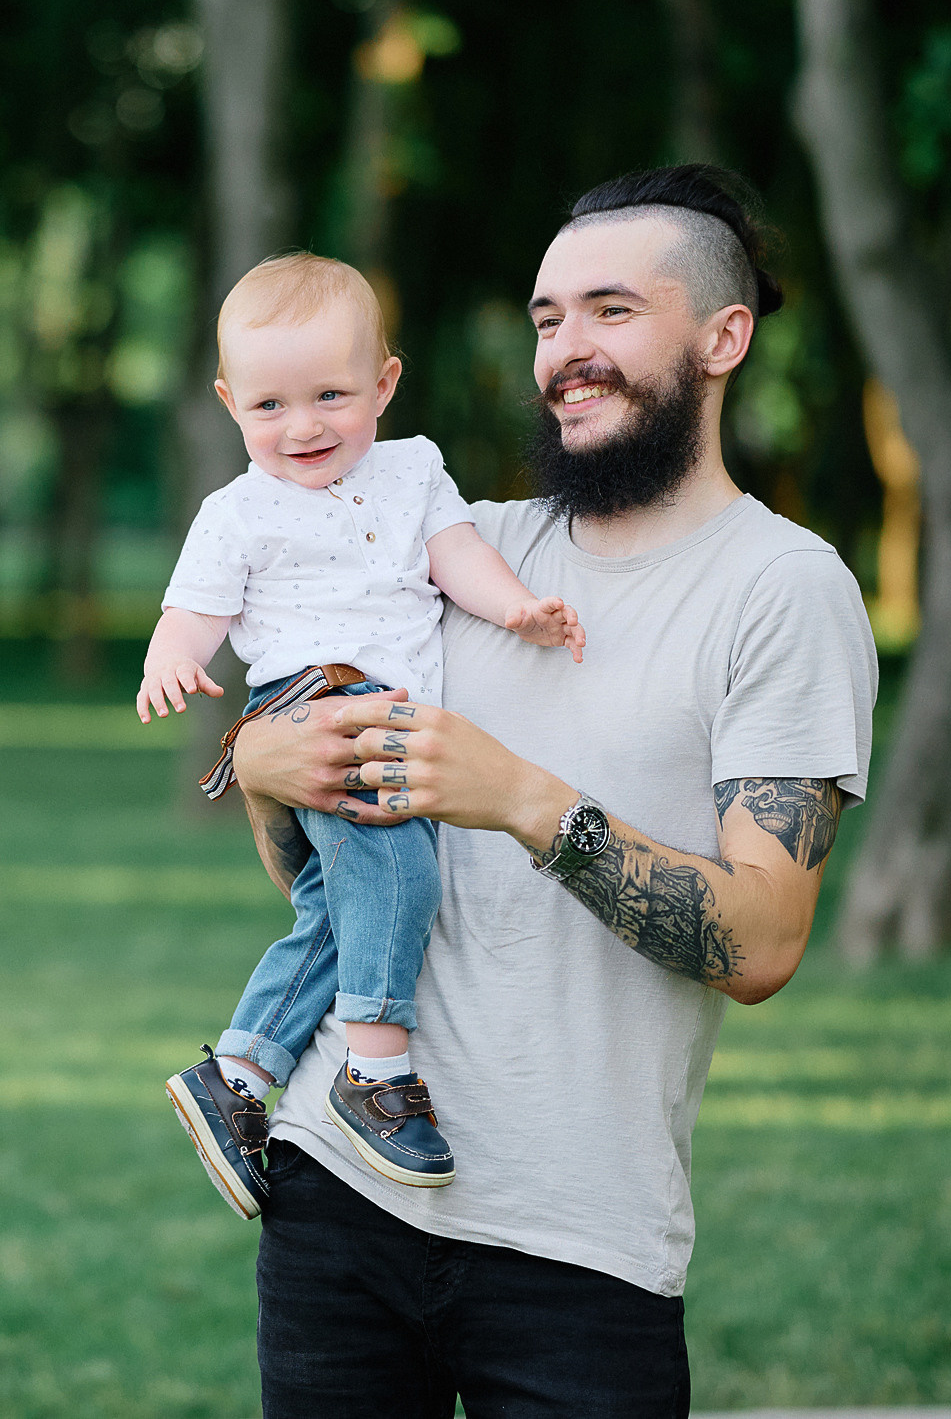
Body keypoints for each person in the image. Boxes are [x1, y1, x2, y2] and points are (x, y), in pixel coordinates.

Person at [222, 167, 879, 1416]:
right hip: (340, 1199)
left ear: (723, 337)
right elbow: (320, 869)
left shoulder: (784, 591)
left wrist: (527, 799)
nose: (565, 351)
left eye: (610, 311)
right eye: (546, 318)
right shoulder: (461, 549)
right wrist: (265, 768)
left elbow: (762, 939)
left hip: (581, 1248)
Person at [142, 252, 583, 1216]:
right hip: (316, 700)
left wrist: (515, 610)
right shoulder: (238, 511)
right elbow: (194, 608)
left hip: (389, 705)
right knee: (401, 877)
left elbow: (456, 554)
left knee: (343, 914)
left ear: (384, 383)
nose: (301, 427)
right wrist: (167, 658)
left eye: (331, 395)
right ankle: (374, 1070)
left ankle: (241, 1073)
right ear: (229, 403)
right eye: (268, 407)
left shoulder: (413, 470)